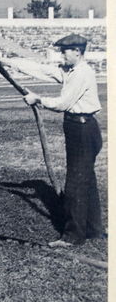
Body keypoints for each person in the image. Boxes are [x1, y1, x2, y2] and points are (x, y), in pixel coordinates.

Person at [22, 33, 104, 248]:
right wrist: (6, 62)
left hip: (82, 128)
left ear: (77, 51)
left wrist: (38, 99)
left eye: (65, 51)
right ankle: (94, 230)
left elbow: (63, 103)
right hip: (82, 127)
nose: (61, 55)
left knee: (76, 183)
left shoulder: (81, 74)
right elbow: (42, 70)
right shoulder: (71, 71)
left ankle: (73, 236)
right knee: (86, 179)